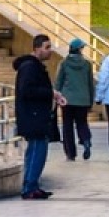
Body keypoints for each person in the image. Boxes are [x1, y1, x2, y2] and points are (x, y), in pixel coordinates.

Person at [13, 33, 65, 199]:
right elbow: (27, 90)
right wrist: (49, 93)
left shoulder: (35, 66)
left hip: (36, 115)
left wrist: (53, 94)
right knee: (37, 149)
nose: (50, 51)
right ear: (37, 49)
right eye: (47, 47)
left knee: (36, 149)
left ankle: (31, 184)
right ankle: (30, 186)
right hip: (33, 116)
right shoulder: (30, 67)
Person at [55, 38, 95, 161]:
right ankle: (86, 140)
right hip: (83, 99)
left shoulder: (64, 63)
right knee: (82, 123)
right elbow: (90, 84)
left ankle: (70, 153)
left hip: (67, 100)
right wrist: (90, 100)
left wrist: (57, 96)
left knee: (67, 126)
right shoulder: (87, 64)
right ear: (80, 50)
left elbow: (59, 82)